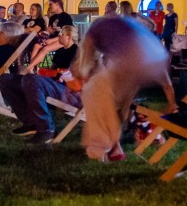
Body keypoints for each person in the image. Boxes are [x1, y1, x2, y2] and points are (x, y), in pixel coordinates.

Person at [74, 16, 177, 162]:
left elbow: (86, 60)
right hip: (156, 59)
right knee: (119, 102)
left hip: (131, 59)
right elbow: (166, 83)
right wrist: (172, 104)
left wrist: (84, 79)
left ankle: (101, 146)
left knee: (94, 92)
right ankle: (116, 145)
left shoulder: (95, 30)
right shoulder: (123, 26)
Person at [0, 26, 81, 143]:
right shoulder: (61, 51)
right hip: (54, 84)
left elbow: (73, 76)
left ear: (69, 36)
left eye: (61, 34)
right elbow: (54, 71)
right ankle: (31, 122)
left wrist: (55, 74)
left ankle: (46, 129)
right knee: (6, 79)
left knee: (32, 79)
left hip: (69, 90)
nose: (58, 36)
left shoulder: (78, 52)